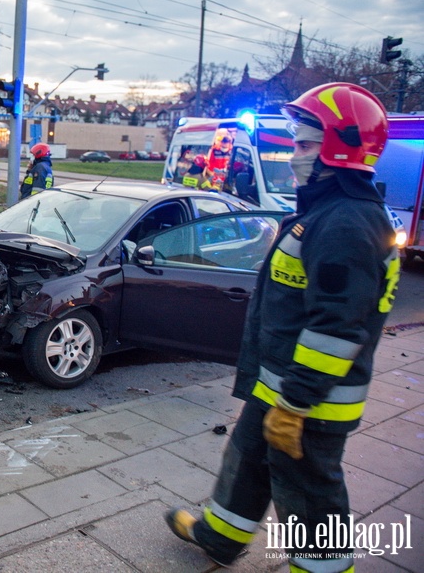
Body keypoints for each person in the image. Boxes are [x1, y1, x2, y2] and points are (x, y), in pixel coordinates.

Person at [165, 82, 401, 573]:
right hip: (282, 385)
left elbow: (337, 327)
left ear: (339, 151)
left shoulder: (344, 224)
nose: (293, 155)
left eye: (304, 145)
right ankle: (219, 536)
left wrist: (296, 402)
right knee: (249, 457)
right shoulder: (328, 213)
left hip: (309, 398)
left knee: (308, 488)